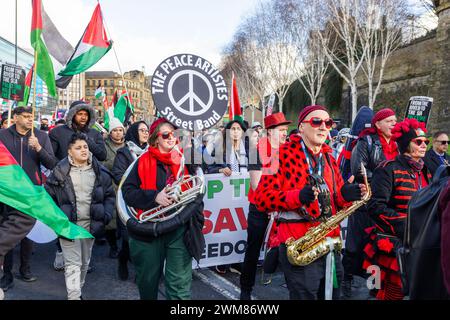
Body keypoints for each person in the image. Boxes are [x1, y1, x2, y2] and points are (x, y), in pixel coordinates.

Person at [254, 105, 366, 300]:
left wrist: (346, 195)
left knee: (334, 296)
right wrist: (297, 197)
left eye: (328, 122)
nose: (324, 126)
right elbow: (262, 198)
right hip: (299, 244)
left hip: (330, 245)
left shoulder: (329, 158)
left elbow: (336, 200)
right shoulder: (280, 155)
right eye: (317, 122)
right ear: (302, 127)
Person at [121, 118, 204, 300]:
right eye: (165, 134)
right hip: (149, 231)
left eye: (174, 134)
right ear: (155, 138)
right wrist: (154, 197)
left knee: (179, 288)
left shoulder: (186, 158)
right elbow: (127, 192)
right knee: (147, 284)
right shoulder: (142, 161)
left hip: (180, 230)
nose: (171, 137)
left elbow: (199, 187)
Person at [363, 118, 431, 300]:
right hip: (391, 246)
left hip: (419, 245)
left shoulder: (426, 171)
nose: (424, 145)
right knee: (387, 294)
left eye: (426, 141)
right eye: (419, 142)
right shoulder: (387, 169)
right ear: (406, 145)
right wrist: (408, 226)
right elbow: (375, 206)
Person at [45, 133, 115, 300]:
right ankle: (74, 296)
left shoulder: (100, 172)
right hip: (69, 226)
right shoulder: (59, 173)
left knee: (84, 263)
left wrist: (105, 215)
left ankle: (78, 290)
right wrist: (57, 219)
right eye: (78, 148)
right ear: (70, 152)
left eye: (85, 147)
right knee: (72, 264)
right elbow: (48, 197)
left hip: (92, 225)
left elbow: (109, 195)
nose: (83, 150)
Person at [0, 106, 58, 291]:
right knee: (6, 233)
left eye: (31, 116)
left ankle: (25, 269)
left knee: (27, 234)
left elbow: (52, 164)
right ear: (15, 118)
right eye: (25, 116)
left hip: (31, 192)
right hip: (7, 193)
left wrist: (39, 149)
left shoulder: (41, 136)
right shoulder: (2, 135)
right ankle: (6, 274)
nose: (29, 120)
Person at [342, 108, 398, 298]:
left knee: (378, 248)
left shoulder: (397, 144)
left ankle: (374, 288)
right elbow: (358, 170)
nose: (393, 124)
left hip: (386, 205)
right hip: (366, 202)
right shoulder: (365, 141)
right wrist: (384, 182)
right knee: (355, 245)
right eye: (389, 121)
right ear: (377, 124)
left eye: (394, 120)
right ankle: (347, 279)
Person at [49, 100, 107, 271]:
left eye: (85, 114)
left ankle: (83, 257)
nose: (83, 117)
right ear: (72, 114)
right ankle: (61, 252)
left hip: (88, 181)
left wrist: (86, 139)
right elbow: (51, 157)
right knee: (65, 219)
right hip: (64, 183)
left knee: (85, 220)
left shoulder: (95, 134)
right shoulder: (58, 132)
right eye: (79, 113)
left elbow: (102, 155)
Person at [240, 112, 291, 300]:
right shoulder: (257, 150)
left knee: (288, 249)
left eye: (286, 130)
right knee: (253, 250)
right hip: (261, 209)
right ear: (269, 132)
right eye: (282, 130)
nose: (286, 133)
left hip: (284, 208)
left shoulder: (289, 150)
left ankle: (293, 285)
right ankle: (246, 289)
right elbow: (256, 184)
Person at [208, 119, 249, 274]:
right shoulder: (220, 149)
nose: (236, 132)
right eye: (233, 129)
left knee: (241, 227)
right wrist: (220, 170)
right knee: (225, 228)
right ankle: (221, 260)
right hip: (225, 196)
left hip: (244, 196)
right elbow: (209, 168)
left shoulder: (250, 150)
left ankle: (237, 260)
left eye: (239, 129)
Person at [111, 120, 149, 280]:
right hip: (128, 200)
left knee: (145, 239)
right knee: (129, 238)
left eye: (147, 130)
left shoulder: (151, 151)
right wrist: (136, 184)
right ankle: (122, 259)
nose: (146, 133)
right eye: (142, 130)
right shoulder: (124, 153)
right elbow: (118, 174)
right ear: (134, 132)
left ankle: (141, 273)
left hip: (147, 200)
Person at [102, 118, 125, 259]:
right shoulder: (104, 146)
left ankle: (124, 247)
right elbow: (100, 164)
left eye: (120, 130)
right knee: (110, 221)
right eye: (115, 130)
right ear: (110, 133)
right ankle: (113, 247)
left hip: (125, 186)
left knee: (124, 220)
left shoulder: (129, 146)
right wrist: (116, 162)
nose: (118, 133)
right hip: (110, 186)